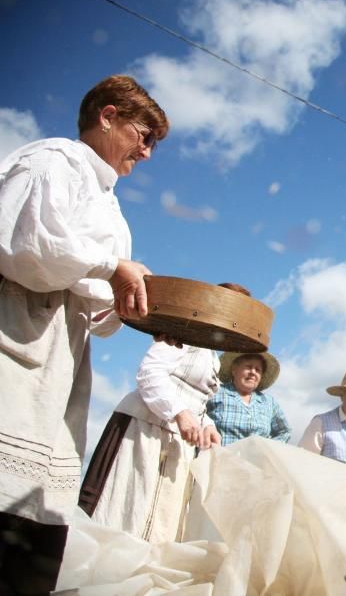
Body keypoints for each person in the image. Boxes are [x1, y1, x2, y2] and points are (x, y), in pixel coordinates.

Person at [0, 74, 168, 593]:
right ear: (108, 115)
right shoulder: (52, 161)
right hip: (17, 335)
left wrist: (122, 306)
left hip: (63, 360)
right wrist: (110, 265)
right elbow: (24, 247)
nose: (146, 153)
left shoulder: (112, 206)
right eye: (143, 136)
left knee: (40, 520)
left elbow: (94, 301)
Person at [78, 283, 256, 543]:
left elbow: (198, 399)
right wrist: (179, 413)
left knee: (162, 521)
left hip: (177, 438)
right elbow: (150, 373)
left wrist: (207, 425)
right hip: (145, 429)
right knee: (129, 509)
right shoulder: (180, 334)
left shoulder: (212, 355)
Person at [206, 351, 290, 446]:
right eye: (248, 367)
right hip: (219, 458)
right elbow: (197, 416)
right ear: (234, 370)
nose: (253, 372)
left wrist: (269, 448)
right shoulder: (216, 392)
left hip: (256, 460)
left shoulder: (269, 402)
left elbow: (285, 431)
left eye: (258, 370)